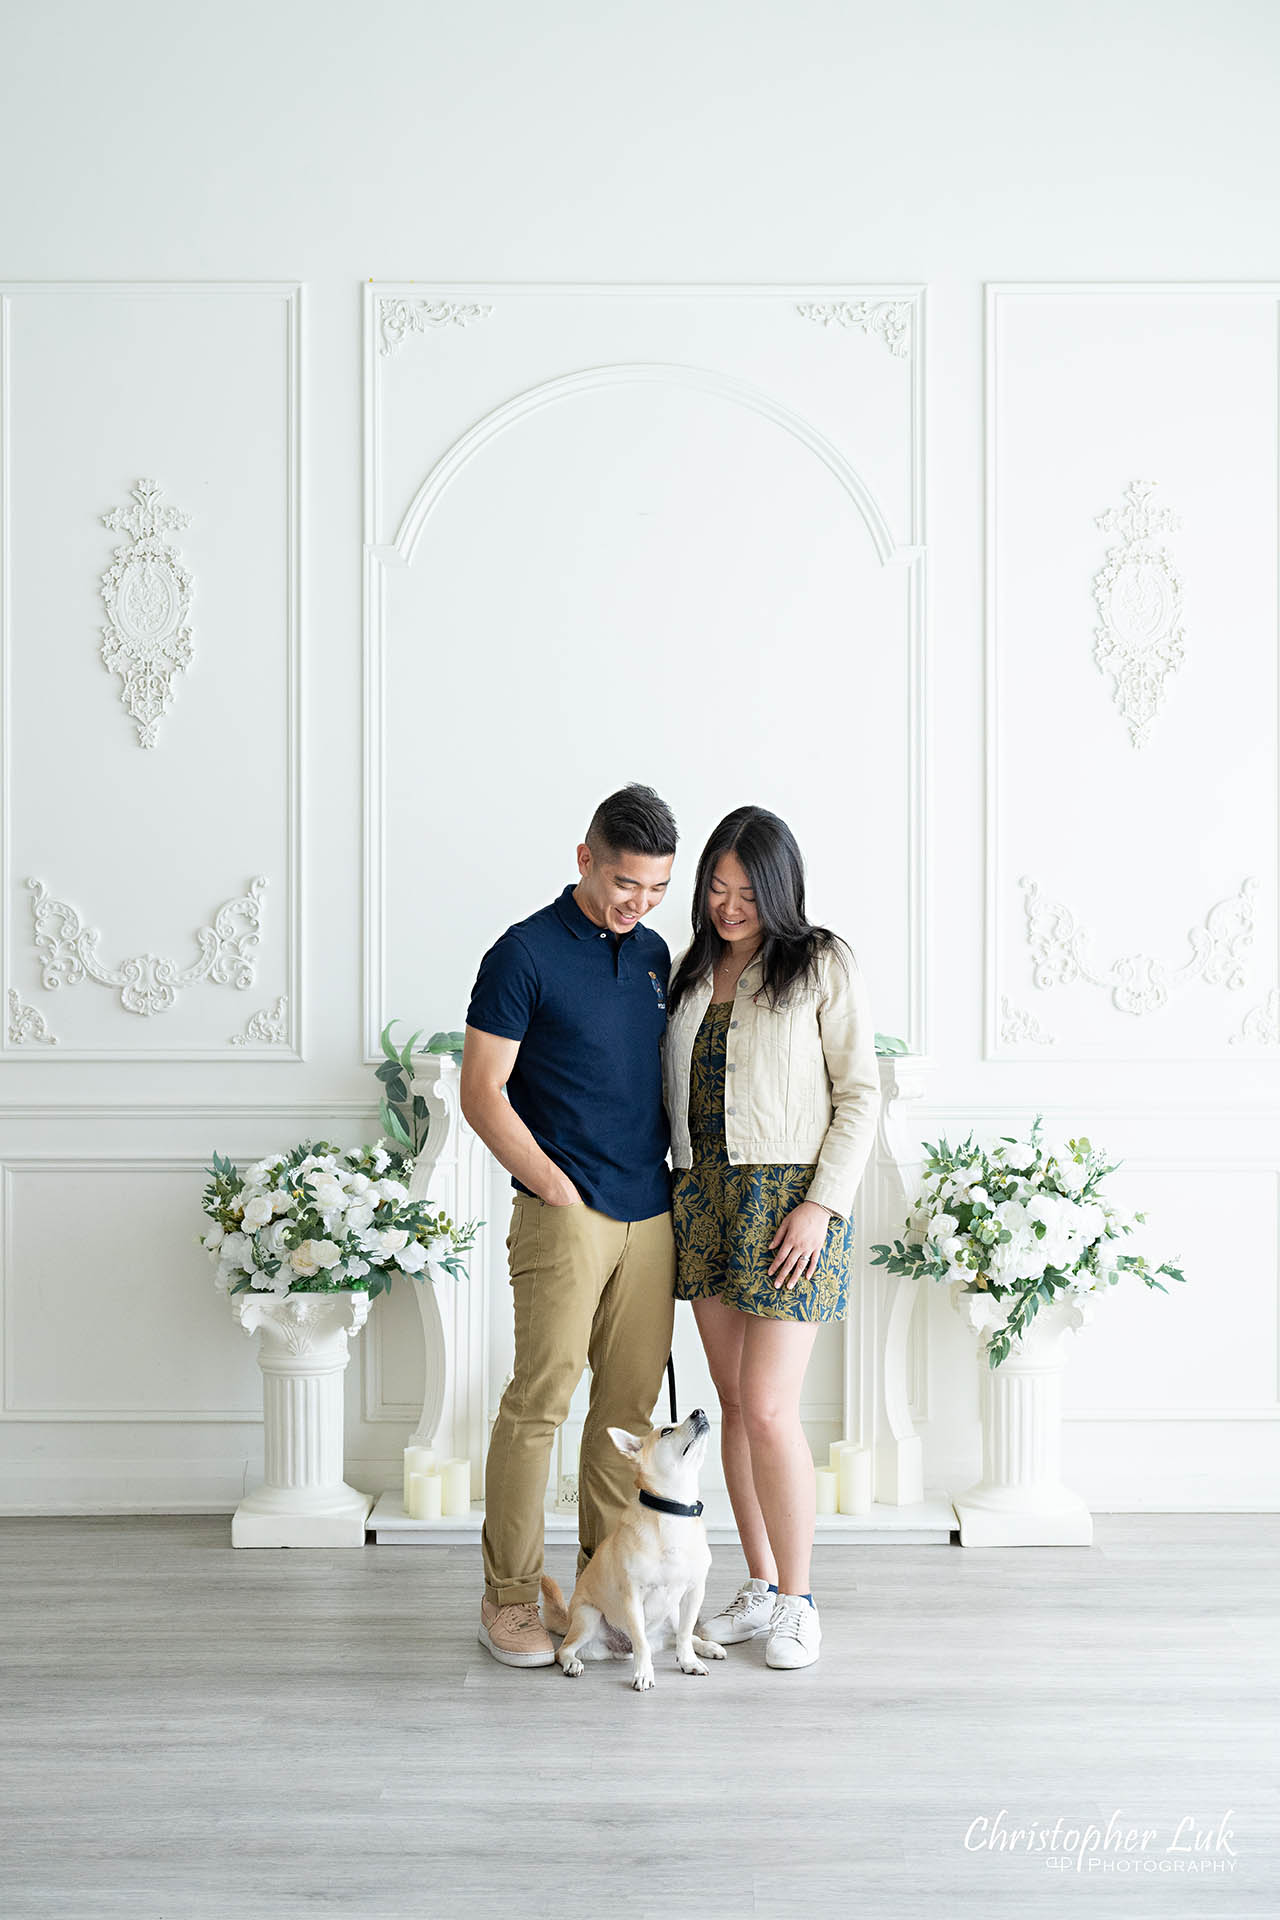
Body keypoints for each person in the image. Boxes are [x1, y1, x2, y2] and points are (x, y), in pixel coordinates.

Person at [461, 784, 679, 1668]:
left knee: (626, 1417)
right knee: (538, 1407)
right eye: (628, 883)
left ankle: (601, 1588)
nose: (642, 903)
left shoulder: (659, 953)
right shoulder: (521, 954)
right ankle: (510, 1597)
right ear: (584, 859)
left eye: (659, 887)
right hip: (566, 1210)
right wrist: (551, 1184)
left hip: (652, 1211)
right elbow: (483, 1092)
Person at [662, 805, 880, 1671]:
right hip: (703, 1197)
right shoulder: (689, 973)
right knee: (732, 1400)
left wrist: (821, 1207)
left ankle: (800, 1599)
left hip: (789, 1201)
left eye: (747, 891)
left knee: (769, 1406)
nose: (728, 905)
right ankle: (758, 1585)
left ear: (779, 889)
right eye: (715, 888)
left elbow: (860, 1092)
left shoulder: (819, 962)